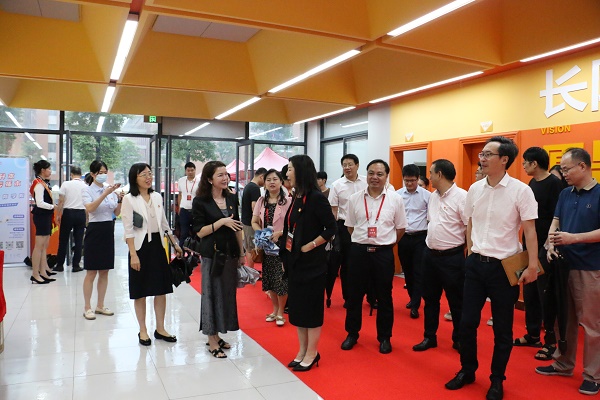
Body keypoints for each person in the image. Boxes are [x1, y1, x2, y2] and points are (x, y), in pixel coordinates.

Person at [445, 136, 539, 400]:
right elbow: (470, 222)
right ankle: (467, 370)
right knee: (466, 323)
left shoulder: (521, 191)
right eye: (482, 154)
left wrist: (532, 266)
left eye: (488, 154)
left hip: (503, 268)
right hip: (476, 265)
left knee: (502, 329)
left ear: (504, 159)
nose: (482, 159)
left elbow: (530, 231)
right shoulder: (475, 189)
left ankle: (497, 379)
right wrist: (470, 249)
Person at [535, 148, 600, 396]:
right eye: (561, 169)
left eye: (566, 169)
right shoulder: (564, 193)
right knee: (564, 319)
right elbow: (555, 222)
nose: (563, 174)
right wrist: (551, 244)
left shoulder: (599, 193)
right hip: (563, 266)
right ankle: (563, 363)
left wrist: (574, 238)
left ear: (582, 166)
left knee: (591, 325)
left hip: (590, 268)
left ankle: (593, 375)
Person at [341, 159, 407, 354]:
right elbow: (350, 226)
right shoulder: (355, 198)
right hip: (359, 252)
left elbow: (401, 228)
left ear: (386, 176)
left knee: (384, 297)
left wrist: (386, 243)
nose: (374, 177)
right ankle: (352, 333)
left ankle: (385, 337)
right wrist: (364, 241)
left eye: (379, 174)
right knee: (354, 296)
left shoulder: (395, 199)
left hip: (383, 253)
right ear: (366, 174)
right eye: (371, 173)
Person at [281, 155, 337, 372]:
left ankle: (312, 352)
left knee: (311, 310)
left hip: (312, 264)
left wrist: (312, 245)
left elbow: (331, 228)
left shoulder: (316, 198)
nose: (287, 173)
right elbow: (289, 229)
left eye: (290, 169)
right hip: (295, 262)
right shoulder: (297, 196)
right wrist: (286, 257)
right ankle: (302, 350)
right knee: (298, 310)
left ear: (301, 171)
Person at [122, 163, 182, 346]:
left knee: (161, 289)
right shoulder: (129, 199)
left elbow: (164, 223)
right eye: (143, 175)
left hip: (157, 246)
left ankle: (160, 328)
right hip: (139, 247)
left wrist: (175, 244)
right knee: (140, 290)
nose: (148, 178)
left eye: (150, 174)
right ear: (134, 178)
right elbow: (128, 229)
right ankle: (143, 330)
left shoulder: (157, 196)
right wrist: (133, 255)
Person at [413, 159, 467, 353]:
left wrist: (467, 253)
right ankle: (429, 337)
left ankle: (459, 339)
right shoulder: (433, 197)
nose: (428, 177)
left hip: (452, 257)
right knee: (430, 299)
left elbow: (469, 227)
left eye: (430, 173)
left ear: (440, 174)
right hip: (430, 255)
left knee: (456, 301)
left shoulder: (462, 197)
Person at [192, 161, 244, 359]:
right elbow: (200, 232)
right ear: (209, 179)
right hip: (212, 255)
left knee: (226, 295)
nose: (225, 178)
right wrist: (221, 222)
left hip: (230, 253)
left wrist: (241, 253)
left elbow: (237, 227)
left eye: (226, 174)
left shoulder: (231, 198)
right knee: (211, 295)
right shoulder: (201, 201)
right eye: (220, 175)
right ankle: (211, 339)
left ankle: (218, 334)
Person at [514, 147, 562, 358]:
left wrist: (548, 246)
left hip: (546, 248)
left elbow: (558, 218)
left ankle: (551, 342)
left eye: (525, 162)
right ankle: (533, 334)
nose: (523, 165)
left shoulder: (554, 184)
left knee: (546, 295)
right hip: (529, 246)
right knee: (530, 292)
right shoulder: (531, 184)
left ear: (535, 163)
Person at [81, 160, 123, 320]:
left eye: (105, 172)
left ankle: (100, 305)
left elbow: (116, 212)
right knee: (91, 271)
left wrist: (120, 199)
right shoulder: (87, 190)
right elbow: (90, 208)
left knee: (105, 271)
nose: (103, 175)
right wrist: (105, 194)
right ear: (93, 174)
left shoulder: (109, 189)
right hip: (94, 230)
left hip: (108, 229)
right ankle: (87, 307)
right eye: (100, 173)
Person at [252, 169, 291, 326]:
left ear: (281, 182)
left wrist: (280, 233)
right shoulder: (261, 201)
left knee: (281, 279)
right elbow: (254, 221)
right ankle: (274, 310)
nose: (272, 182)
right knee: (269, 279)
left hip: (282, 245)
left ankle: (281, 311)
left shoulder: (288, 201)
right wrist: (261, 233)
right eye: (268, 180)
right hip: (267, 245)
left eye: (275, 179)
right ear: (265, 183)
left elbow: (293, 225)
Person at [328, 154, 367, 306]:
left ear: (357, 165)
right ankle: (348, 297)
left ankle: (369, 295)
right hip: (344, 227)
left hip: (364, 226)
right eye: (344, 165)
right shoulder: (337, 185)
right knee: (347, 263)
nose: (347, 167)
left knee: (364, 262)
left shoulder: (366, 182)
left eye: (350, 164)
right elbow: (334, 210)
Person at [396, 163, 430, 319]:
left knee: (418, 271)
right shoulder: (397, 195)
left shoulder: (426, 195)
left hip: (420, 237)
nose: (409, 183)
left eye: (412, 180)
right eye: (406, 180)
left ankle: (415, 304)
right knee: (407, 270)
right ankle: (412, 297)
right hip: (403, 237)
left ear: (418, 178)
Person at [29, 159, 57, 284]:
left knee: (43, 246)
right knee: (39, 246)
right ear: (42, 170)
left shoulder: (42, 182)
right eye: (49, 169)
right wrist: (53, 207)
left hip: (45, 215)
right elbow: (40, 203)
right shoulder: (39, 184)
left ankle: (43, 272)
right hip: (41, 216)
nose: (50, 171)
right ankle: (35, 274)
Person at [55, 166, 87, 273]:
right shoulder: (85, 186)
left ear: (71, 175)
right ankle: (76, 265)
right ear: (80, 174)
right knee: (79, 241)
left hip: (68, 213)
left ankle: (60, 265)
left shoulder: (65, 184)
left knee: (63, 240)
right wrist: (87, 218)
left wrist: (58, 215)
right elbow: (87, 203)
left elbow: (61, 201)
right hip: (81, 213)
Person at [241, 167, 267, 271]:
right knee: (251, 248)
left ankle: (250, 271)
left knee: (248, 247)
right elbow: (254, 207)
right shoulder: (255, 188)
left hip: (246, 221)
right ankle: (251, 271)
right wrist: (259, 221)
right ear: (261, 176)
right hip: (251, 223)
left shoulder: (248, 186)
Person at [177, 162, 198, 247]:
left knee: (196, 232)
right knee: (183, 233)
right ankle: (181, 251)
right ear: (185, 171)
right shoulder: (181, 180)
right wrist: (179, 208)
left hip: (196, 211)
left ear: (195, 170)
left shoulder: (199, 181)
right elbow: (180, 194)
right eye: (188, 170)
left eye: (192, 170)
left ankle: (195, 252)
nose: (190, 172)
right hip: (184, 210)